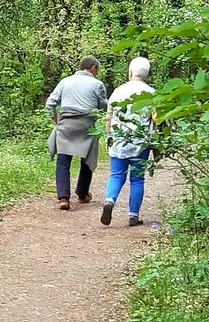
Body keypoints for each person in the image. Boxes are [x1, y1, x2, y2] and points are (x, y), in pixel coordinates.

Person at [45, 55, 108, 210]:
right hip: (87, 125)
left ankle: (63, 198)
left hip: (66, 124)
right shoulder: (97, 84)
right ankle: (82, 193)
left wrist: (57, 121)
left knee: (63, 160)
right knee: (87, 157)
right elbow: (104, 107)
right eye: (97, 69)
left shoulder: (65, 81)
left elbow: (50, 104)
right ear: (93, 68)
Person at [101, 56, 158, 228]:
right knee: (137, 179)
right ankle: (133, 215)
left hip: (118, 139)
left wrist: (108, 137)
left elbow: (108, 117)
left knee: (116, 175)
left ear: (130, 71)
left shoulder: (118, 91)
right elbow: (157, 118)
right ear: (146, 73)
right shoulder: (151, 93)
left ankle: (109, 200)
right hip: (140, 141)